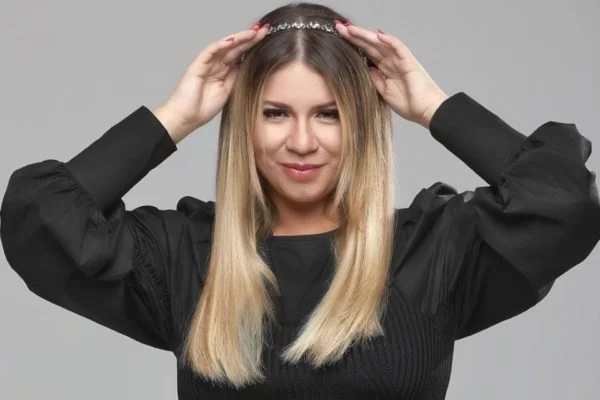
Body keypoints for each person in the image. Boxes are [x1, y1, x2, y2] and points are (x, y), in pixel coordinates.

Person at [1, 2, 599, 399]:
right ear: (244, 123)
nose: (303, 142)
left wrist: (434, 106)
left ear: (362, 122)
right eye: (275, 113)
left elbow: (565, 201)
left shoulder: (433, 249)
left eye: (329, 114)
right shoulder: (188, 257)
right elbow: (35, 216)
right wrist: (177, 115)